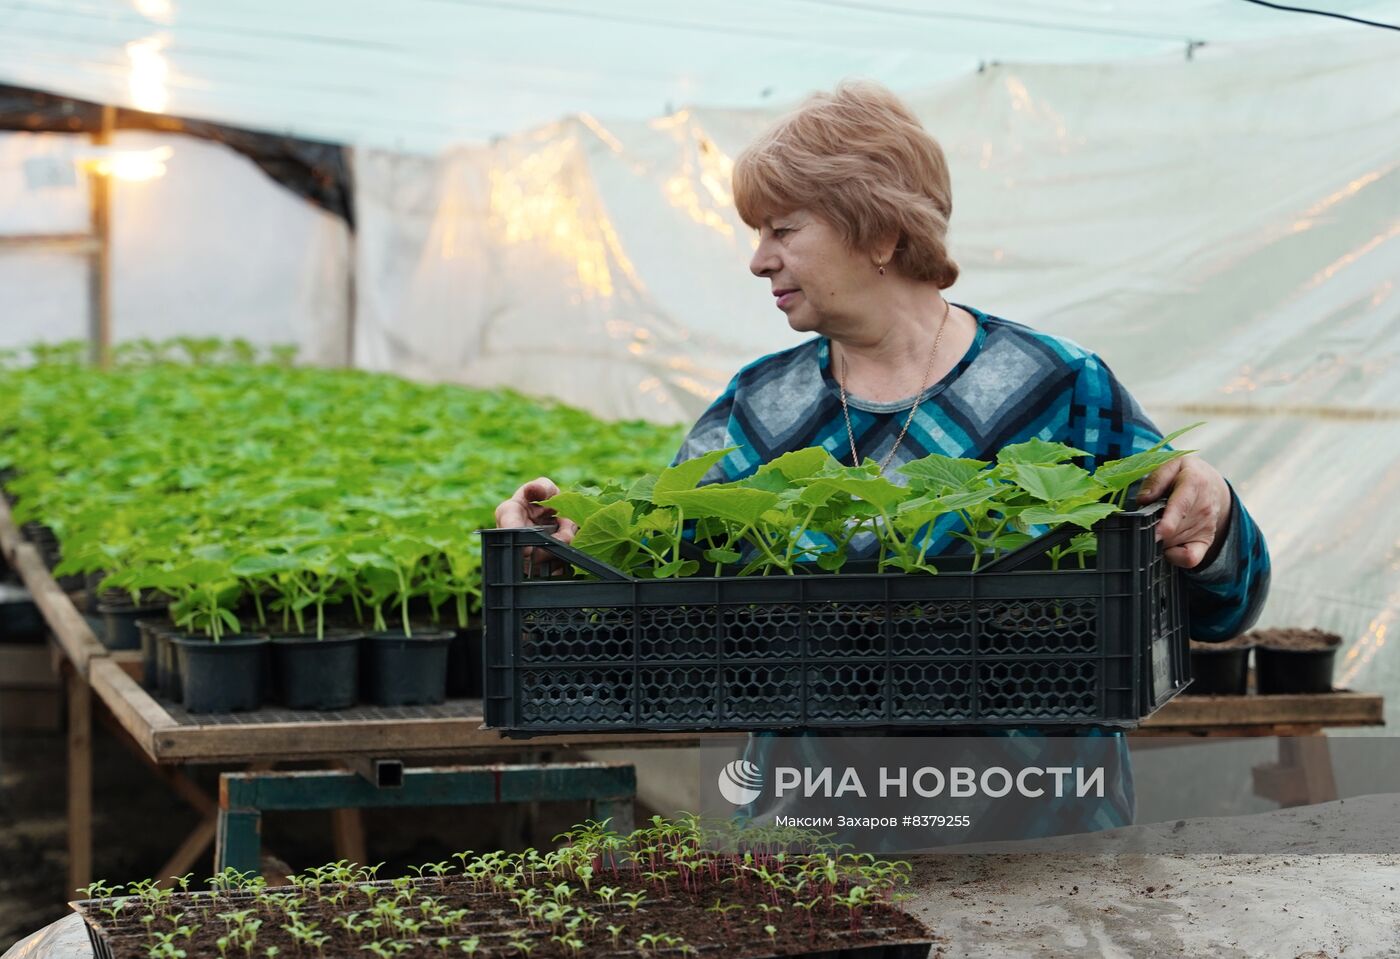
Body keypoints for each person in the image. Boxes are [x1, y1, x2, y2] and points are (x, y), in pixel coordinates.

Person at [496, 81, 1270, 837]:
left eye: (783, 229)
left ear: (881, 233)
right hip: (817, 823)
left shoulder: (1056, 386)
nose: (758, 260)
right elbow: (657, 616)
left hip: (1044, 820)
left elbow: (1223, 608)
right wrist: (565, 552)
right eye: (756, 233)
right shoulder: (756, 410)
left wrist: (1213, 511)